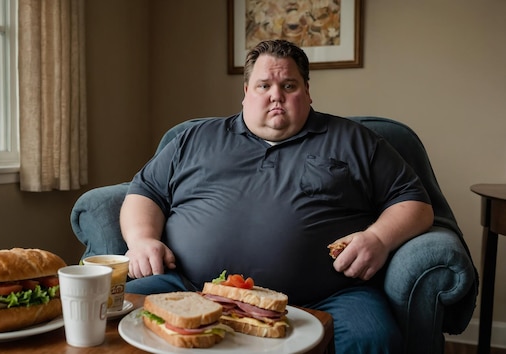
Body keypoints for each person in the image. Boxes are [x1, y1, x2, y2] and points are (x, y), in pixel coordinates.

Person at [120, 39, 433, 353]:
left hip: (330, 296)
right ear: (245, 93)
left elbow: (415, 202)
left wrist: (378, 238)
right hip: (187, 287)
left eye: (289, 85)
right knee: (114, 316)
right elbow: (145, 192)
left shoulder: (356, 141)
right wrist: (141, 239)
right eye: (263, 85)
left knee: (374, 340)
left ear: (307, 92)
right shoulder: (194, 138)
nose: (275, 95)